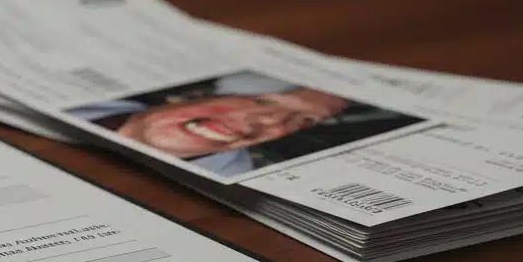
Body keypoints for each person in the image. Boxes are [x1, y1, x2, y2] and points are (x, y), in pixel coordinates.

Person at [67, 73, 350, 176]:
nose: (273, 123)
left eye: (305, 121)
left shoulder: (231, 177)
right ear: (196, 95)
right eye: (264, 102)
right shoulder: (80, 102)